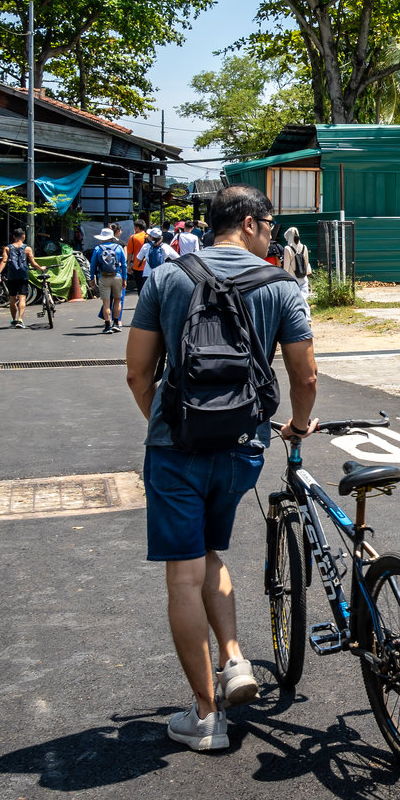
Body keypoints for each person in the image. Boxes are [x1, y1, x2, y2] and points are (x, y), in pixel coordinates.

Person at [124, 185, 317, 752]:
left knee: (185, 574)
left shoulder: (166, 275)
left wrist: (169, 423)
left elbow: (138, 373)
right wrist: (299, 426)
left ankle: (206, 717)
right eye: (270, 226)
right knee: (213, 553)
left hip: (174, 449)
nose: (272, 236)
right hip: (242, 448)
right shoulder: (280, 284)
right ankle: (234, 660)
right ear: (253, 225)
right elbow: (305, 377)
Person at [0, 228, 36, 328]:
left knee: (12, 299)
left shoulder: (7, 248)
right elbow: (33, 263)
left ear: (13, 237)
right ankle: (20, 320)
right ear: (23, 236)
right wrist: (41, 268)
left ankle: (14, 319)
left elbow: (4, 261)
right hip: (23, 275)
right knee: (22, 298)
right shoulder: (27, 249)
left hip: (12, 276)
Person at [89, 227, 128, 332]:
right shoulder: (119, 248)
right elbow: (124, 264)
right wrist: (125, 278)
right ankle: (116, 323)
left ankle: (107, 326)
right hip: (117, 276)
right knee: (117, 301)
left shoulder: (98, 249)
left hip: (103, 277)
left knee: (106, 303)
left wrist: (92, 278)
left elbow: (92, 265)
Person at [281, 226, 311, 293]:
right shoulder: (304, 247)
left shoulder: (287, 248)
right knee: (303, 300)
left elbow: (286, 268)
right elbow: (306, 263)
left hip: (292, 278)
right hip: (303, 277)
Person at [126, 219, 149, 294]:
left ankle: (141, 303)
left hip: (137, 266)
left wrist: (128, 264)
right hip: (149, 266)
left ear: (137, 228)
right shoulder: (149, 237)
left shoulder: (133, 237)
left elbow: (130, 253)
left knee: (140, 286)